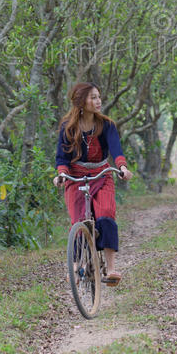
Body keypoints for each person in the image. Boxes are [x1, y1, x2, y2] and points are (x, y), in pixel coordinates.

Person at [54, 82, 132, 285]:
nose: (98, 101)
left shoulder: (106, 125)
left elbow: (116, 150)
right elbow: (62, 158)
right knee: (78, 220)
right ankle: (75, 268)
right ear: (81, 102)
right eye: (93, 97)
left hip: (102, 173)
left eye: (99, 97)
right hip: (76, 175)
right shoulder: (67, 127)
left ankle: (112, 269)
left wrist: (122, 168)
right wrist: (61, 174)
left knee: (106, 214)